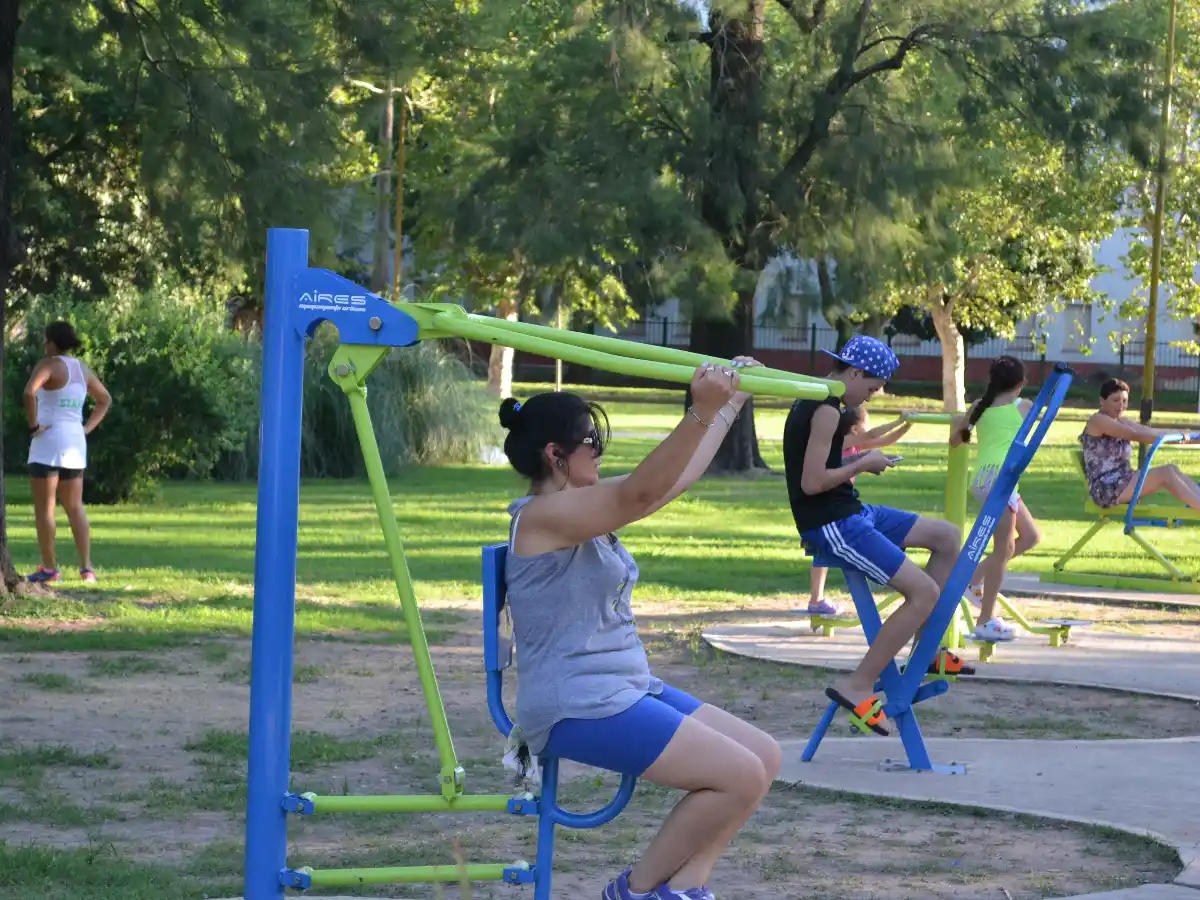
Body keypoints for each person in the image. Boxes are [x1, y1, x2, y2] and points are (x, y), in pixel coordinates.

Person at [500, 358, 781, 900]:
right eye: (590, 439)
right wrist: (701, 410)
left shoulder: (588, 513)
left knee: (763, 757)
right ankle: (636, 891)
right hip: (576, 700)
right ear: (554, 455)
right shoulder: (539, 519)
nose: (600, 449)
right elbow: (640, 494)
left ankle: (683, 888)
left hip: (621, 686)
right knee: (739, 776)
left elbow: (669, 481)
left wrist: (727, 406)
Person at [783, 336, 969, 737]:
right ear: (854, 372)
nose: (869, 398)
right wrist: (864, 463)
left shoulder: (826, 401)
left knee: (948, 537)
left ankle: (927, 652)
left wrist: (865, 453)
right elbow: (812, 483)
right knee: (924, 593)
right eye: (870, 389)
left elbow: (832, 458)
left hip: (852, 510)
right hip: (832, 522)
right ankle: (858, 684)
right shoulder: (826, 410)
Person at [951, 356, 1042, 643]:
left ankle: (973, 579)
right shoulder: (1023, 406)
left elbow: (956, 441)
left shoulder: (979, 406)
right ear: (1020, 384)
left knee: (1030, 536)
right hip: (1000, 479)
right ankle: (985, 620)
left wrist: (961, 423)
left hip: (985, 479)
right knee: (1003, 549)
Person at [23, 321, 111, 584]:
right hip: (75, 443)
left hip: (48, 441)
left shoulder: (48, 365)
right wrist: (86, 428)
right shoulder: (81, 368)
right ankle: (87, 569)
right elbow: (104, 399)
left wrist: (34, 425)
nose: (43, 345)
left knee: (45, 509)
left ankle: (49, 569)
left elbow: (29, 392)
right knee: (75, 507)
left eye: (45, 340)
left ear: (52, 342)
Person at [806, 405, 914, 616]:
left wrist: (908, 424)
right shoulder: (842, 442)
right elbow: (875, 435)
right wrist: (900, 419)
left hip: (839, 503)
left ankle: (816, 599)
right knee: (821, 553)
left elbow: (885, 441)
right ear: (855, 428)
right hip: (826, 504)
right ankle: (816, 599)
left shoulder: (855, 444)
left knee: (823, 555)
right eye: (866, 423)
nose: (869, 429)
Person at [1080, 378, 1200, 510]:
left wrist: (1187, 435)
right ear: (1102, 401)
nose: (1121, 405)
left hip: (1123, 480)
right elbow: (1137, 435)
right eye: (1115, 400)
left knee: (1171, 469)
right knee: (1165, 473)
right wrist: (1181, 438)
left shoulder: (1120, 420)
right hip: (1106, 489)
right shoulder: (1099, 420)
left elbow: (1150, 431)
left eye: (1124, 401)